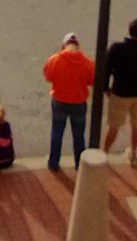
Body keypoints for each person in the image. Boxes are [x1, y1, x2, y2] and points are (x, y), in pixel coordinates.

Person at [99, 18, 137, 165]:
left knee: (114, 126)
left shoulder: (116, 49)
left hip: (120, 93)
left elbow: (106, 70)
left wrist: (105, 88)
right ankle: (132, 153)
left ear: (129, 30)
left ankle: (105, 152)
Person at [41, 34, 93, 173]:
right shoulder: (86, 62)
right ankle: (79, 164)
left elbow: (48, 76)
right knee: (78, 135)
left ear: (64, 46)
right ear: (78, 46)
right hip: (79, 102)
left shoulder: (55, 59)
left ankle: (53, 163)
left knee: (57, 132)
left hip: (59, 100)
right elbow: (92, 80)